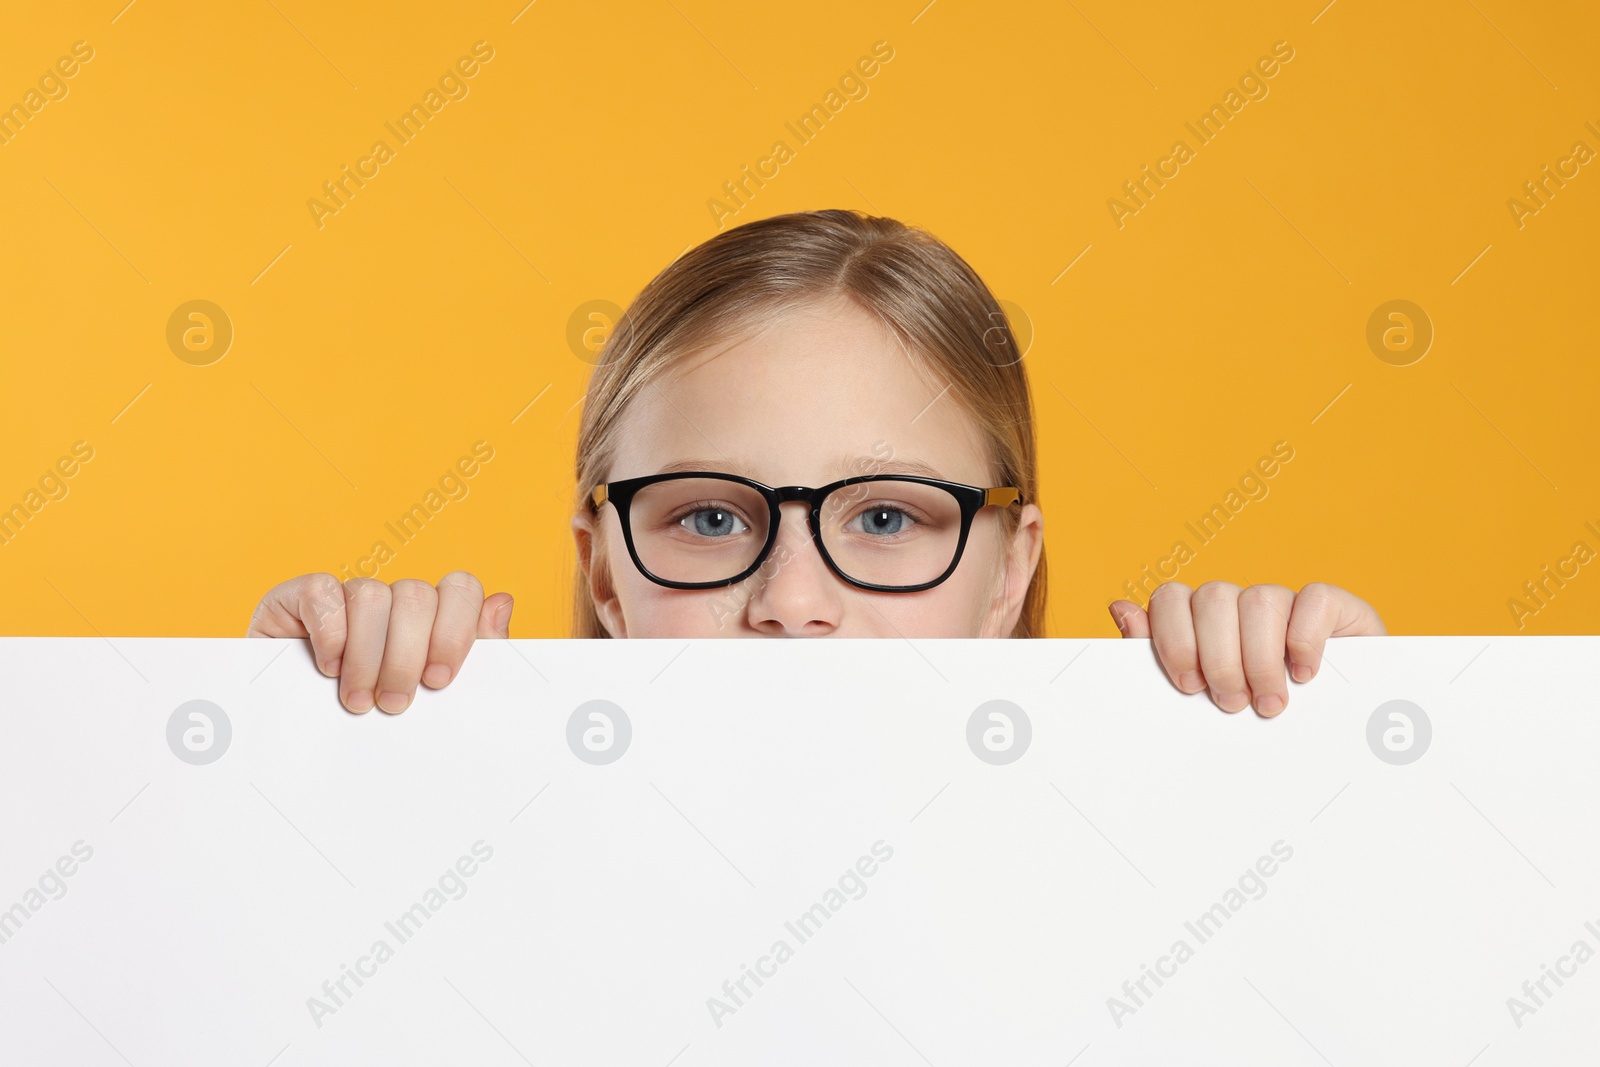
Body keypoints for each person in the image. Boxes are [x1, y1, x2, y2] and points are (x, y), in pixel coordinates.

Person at [247, 210, 1384, 717]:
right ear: (603, 575)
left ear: (1006, 573)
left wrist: (1358, 734)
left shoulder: (1144, 853)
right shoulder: (475, 848)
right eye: (707, 519)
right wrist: (283, 730)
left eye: (885, 519)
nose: (791, 603)